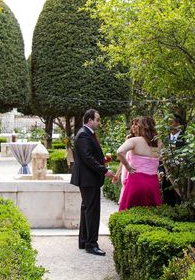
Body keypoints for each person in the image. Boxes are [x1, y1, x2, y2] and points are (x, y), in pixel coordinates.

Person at [70, 108, 115, 256]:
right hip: (88, 180)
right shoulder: (84, 135)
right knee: (92, 211)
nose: (99, 122)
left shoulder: (87, 133)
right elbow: (88, 158)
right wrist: (104, 170)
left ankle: (84, 241)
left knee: (87, 209)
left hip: (89, 179)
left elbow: (90, 156)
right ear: (90, 120)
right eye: (98, 120)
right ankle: (91, 244)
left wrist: (102, 161)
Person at [116, 116, 163, 211]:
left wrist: (128, 167)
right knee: (152, 214)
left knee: (129, 213)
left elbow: (119, 152)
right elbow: (159, 159)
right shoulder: (159, 143)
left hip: (136, 181)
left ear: (142, 127)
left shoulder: (134, 141)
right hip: (153, 182)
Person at [160, 115, 185, 206]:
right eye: (168, 123)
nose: (169, 125)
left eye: (171, 122)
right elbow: (161, 156)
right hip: (167, 173)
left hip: (180, 173)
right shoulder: (165, 139)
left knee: (179, 197)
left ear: (178, 124)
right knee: (168, 198)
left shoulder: (185, 138)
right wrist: (161, 171)